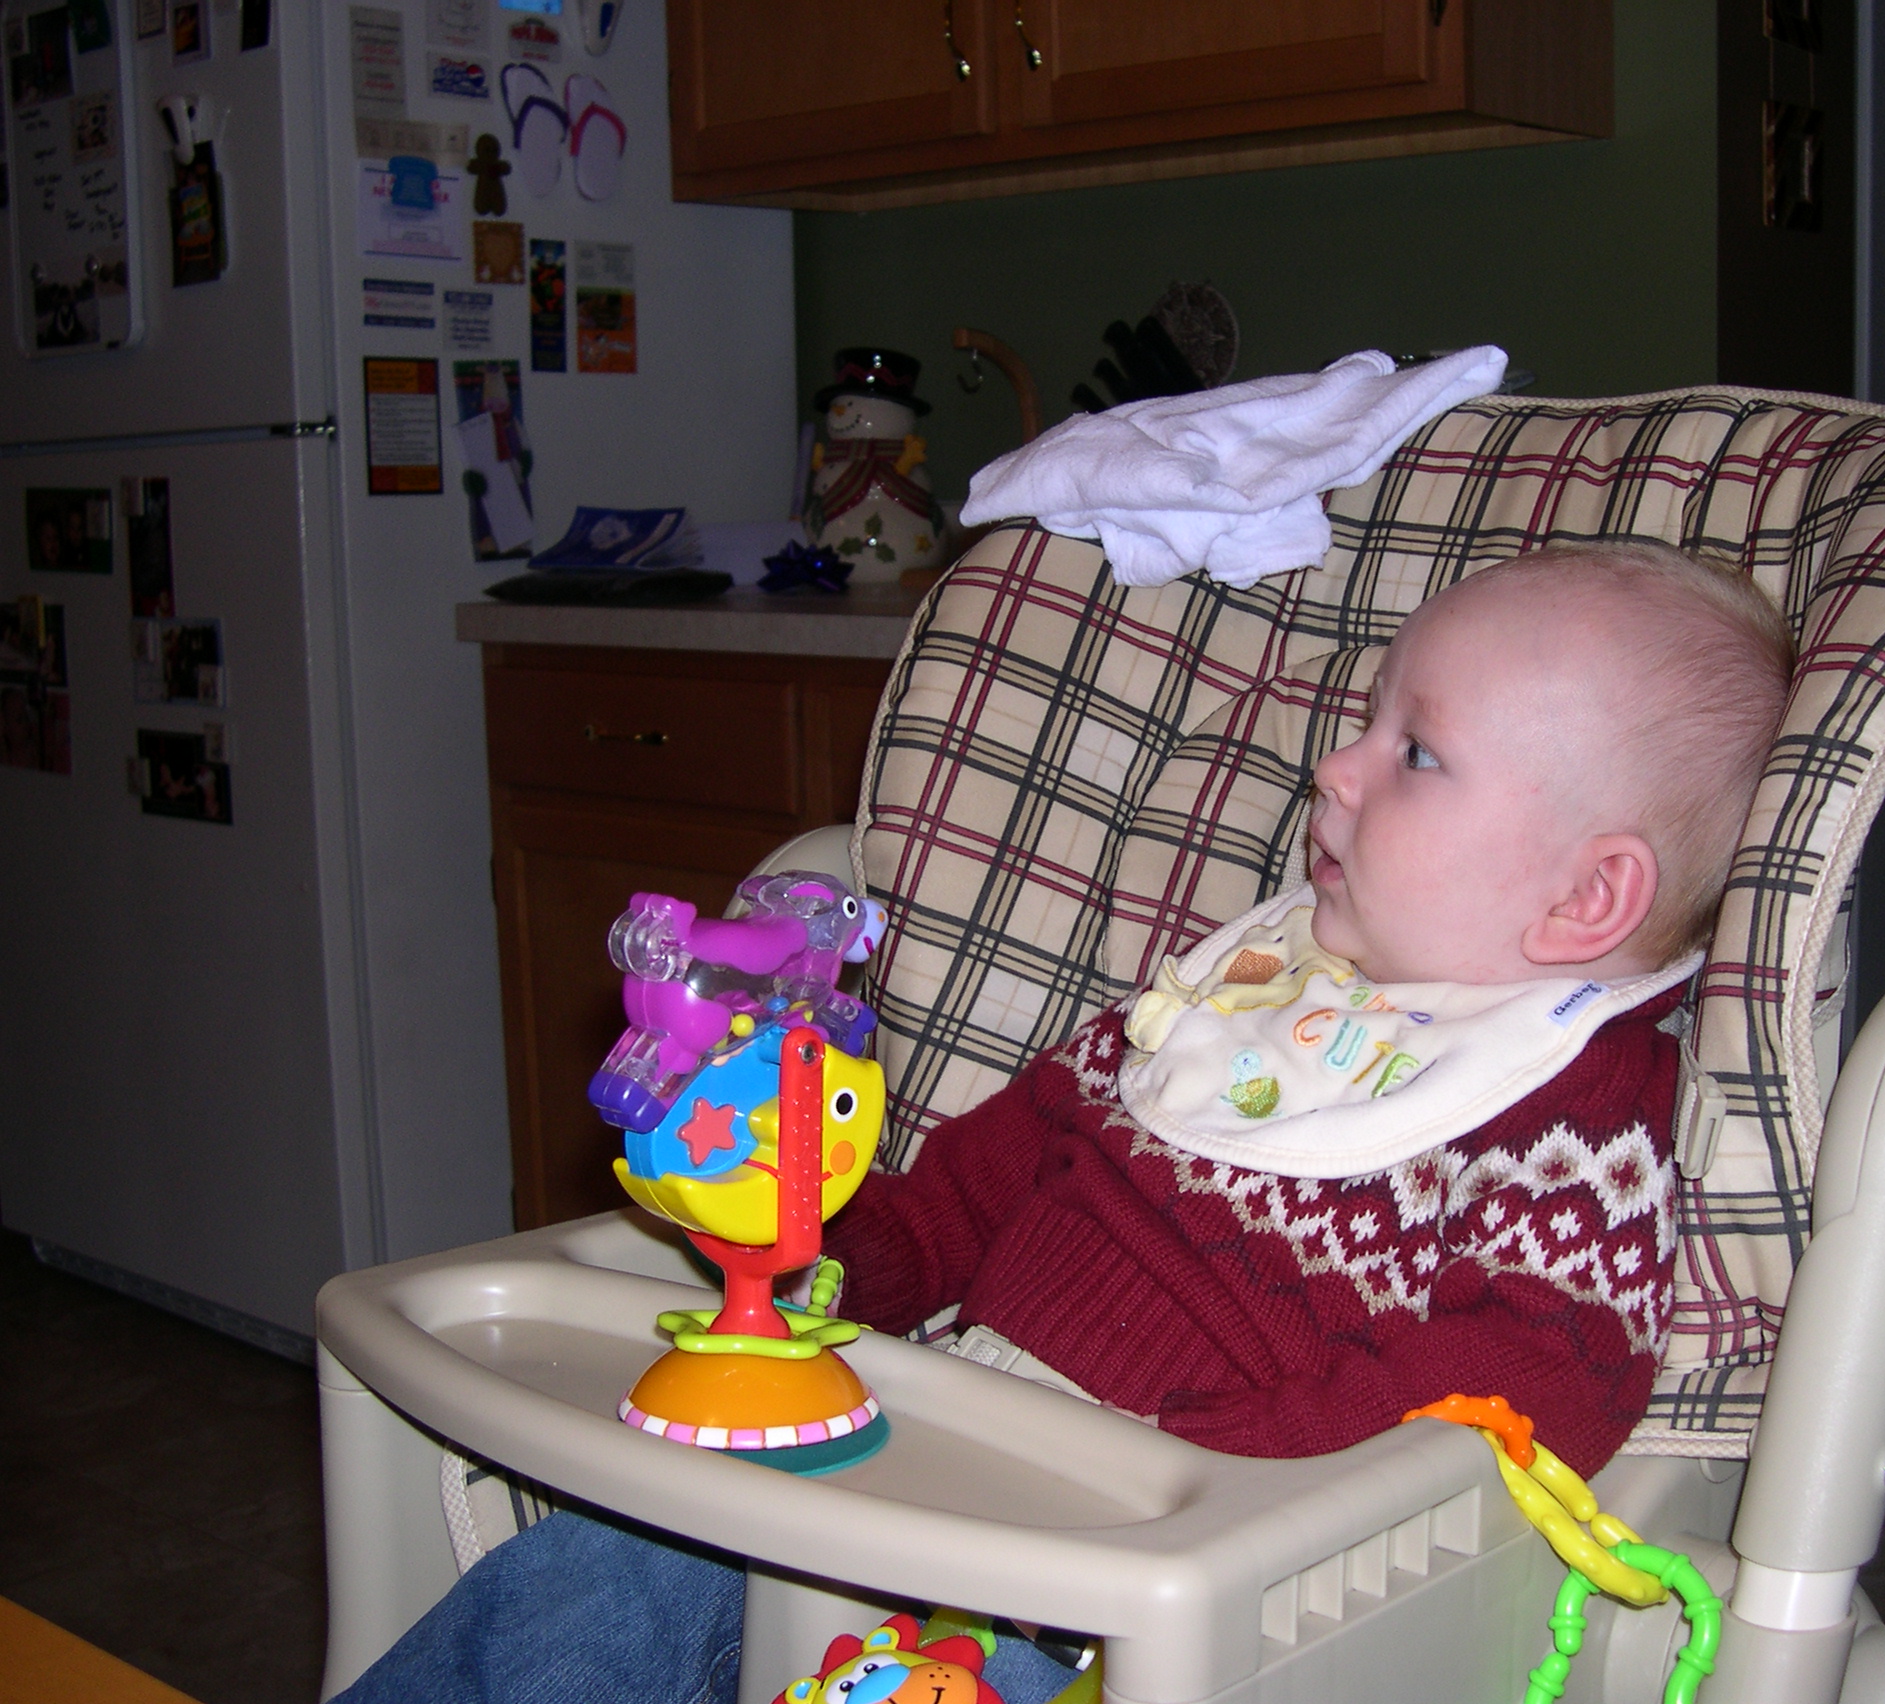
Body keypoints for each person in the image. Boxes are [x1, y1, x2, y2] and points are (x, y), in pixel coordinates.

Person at [337, 541, 1794, 1704]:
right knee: (622, 1560)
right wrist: (836, 1259)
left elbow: (1536, 1380)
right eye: (1361, 724)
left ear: (1587, 898)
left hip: (1153, 1576)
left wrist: (1223, 1470)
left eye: (1416, 753)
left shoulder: (1576, 1114)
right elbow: (1004, 1162)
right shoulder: (1248, 987)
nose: (1335, 769)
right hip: (939, 1452)